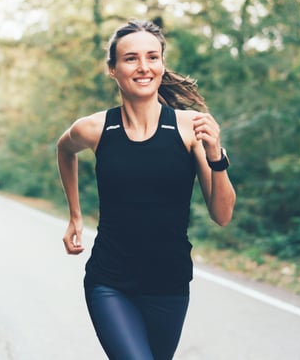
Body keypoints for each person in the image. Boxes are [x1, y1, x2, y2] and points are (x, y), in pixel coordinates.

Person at [57, 19, 236, 360]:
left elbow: (223, 214)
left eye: (152, 57)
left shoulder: (189, 128)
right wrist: (75, 215)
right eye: (131, 58)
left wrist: (216, 155)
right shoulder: (95, 128)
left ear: (162, 65)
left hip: (169, 284)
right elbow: (64, 150)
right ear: (112, 69)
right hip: (109, 282)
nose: (143, 67)